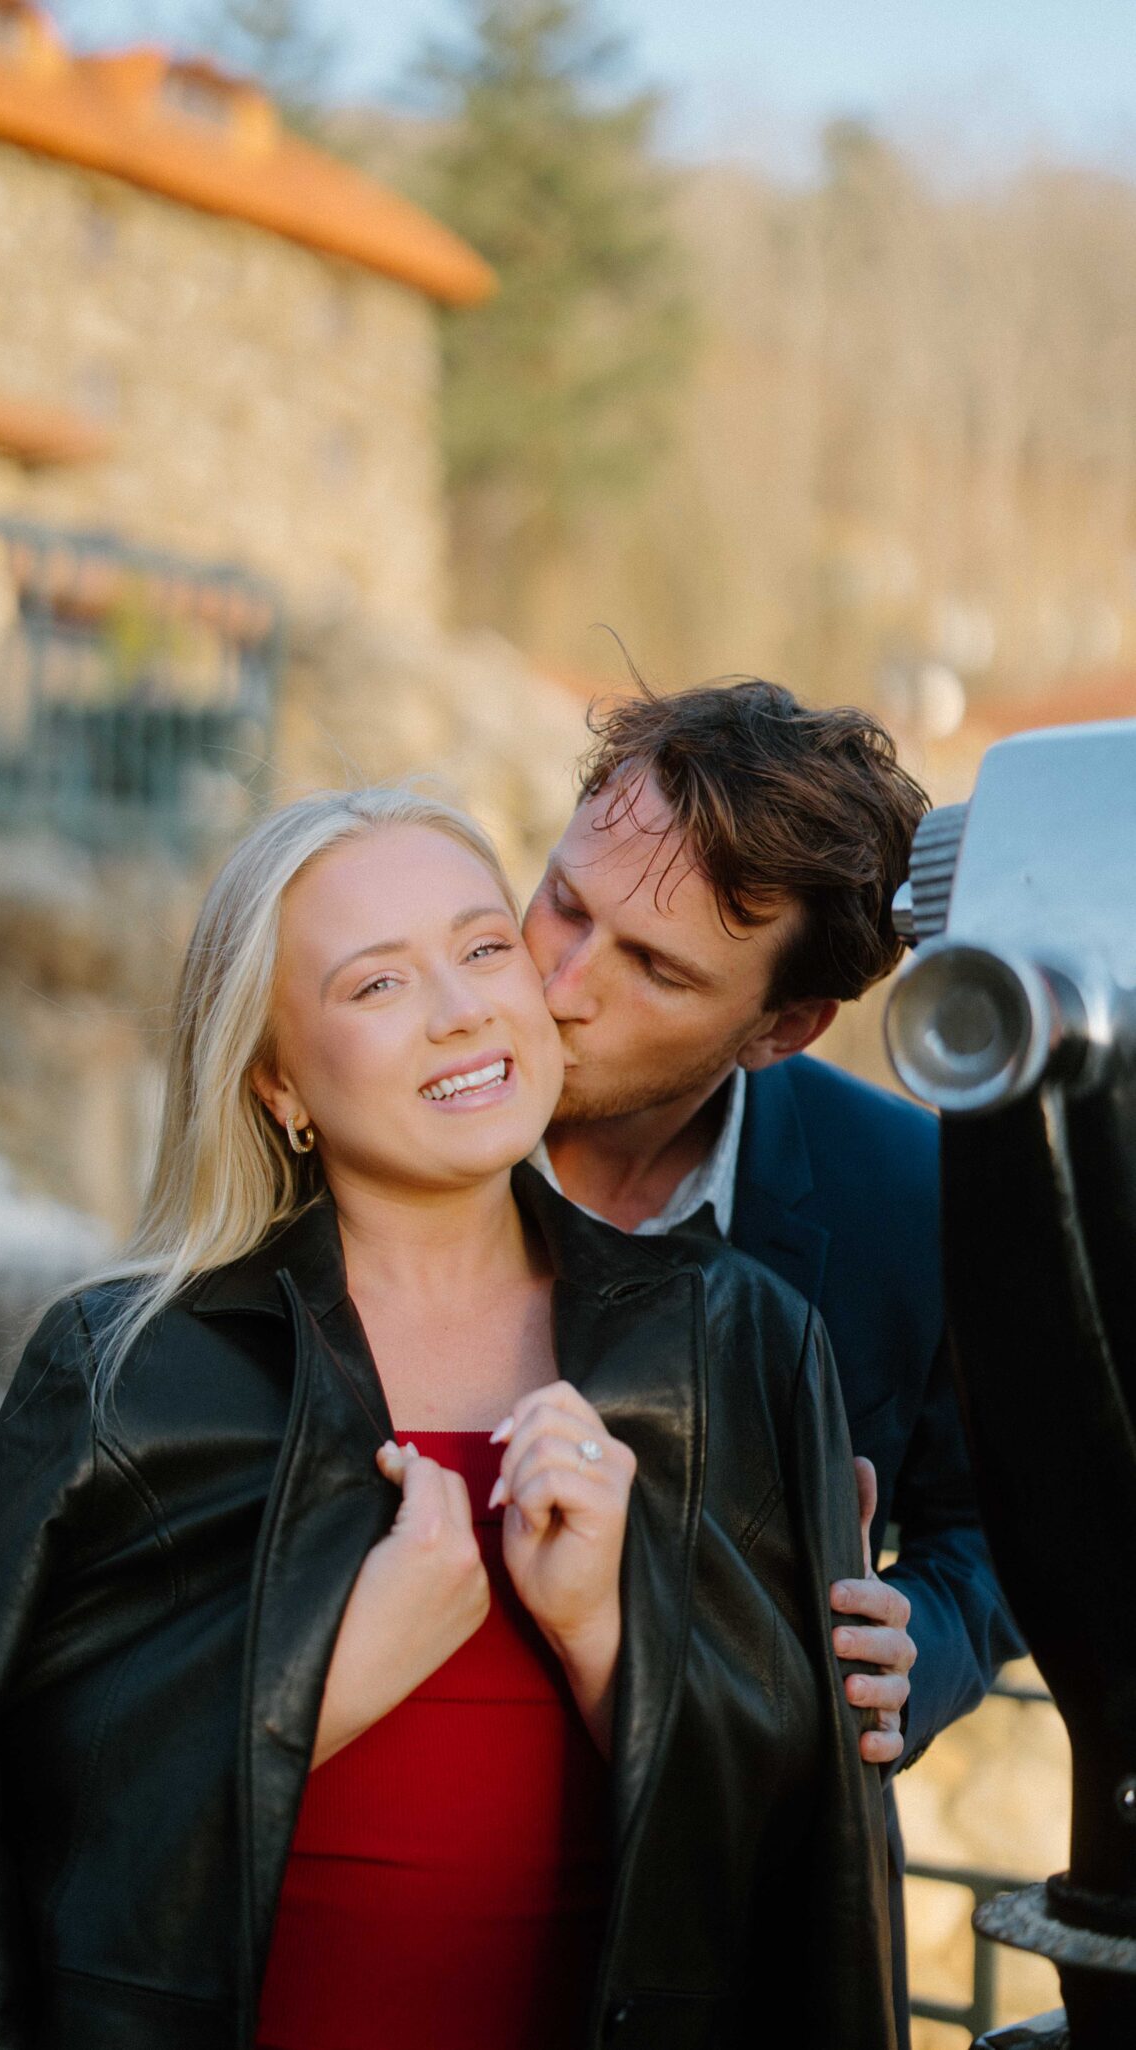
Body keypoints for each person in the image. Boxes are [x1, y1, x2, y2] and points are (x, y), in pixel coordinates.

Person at [0, 785, 895, 2050]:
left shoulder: (743, 1345)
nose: (461, 1011)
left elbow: (806, 1861)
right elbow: (0, 1833)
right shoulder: (123, 1372)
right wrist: (334, 1671)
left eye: (485, 946)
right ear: (279, 1080)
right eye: (376, 985)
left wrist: (610, 1635)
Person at [522, 677, 1026, 2045]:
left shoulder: (908, 1201)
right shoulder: (370, 1099)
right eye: (566, 904)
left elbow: (1000, 1525)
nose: (558, 988)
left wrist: (917, 1640)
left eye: (654, 967)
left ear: (779, 1027)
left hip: (712, 1943)